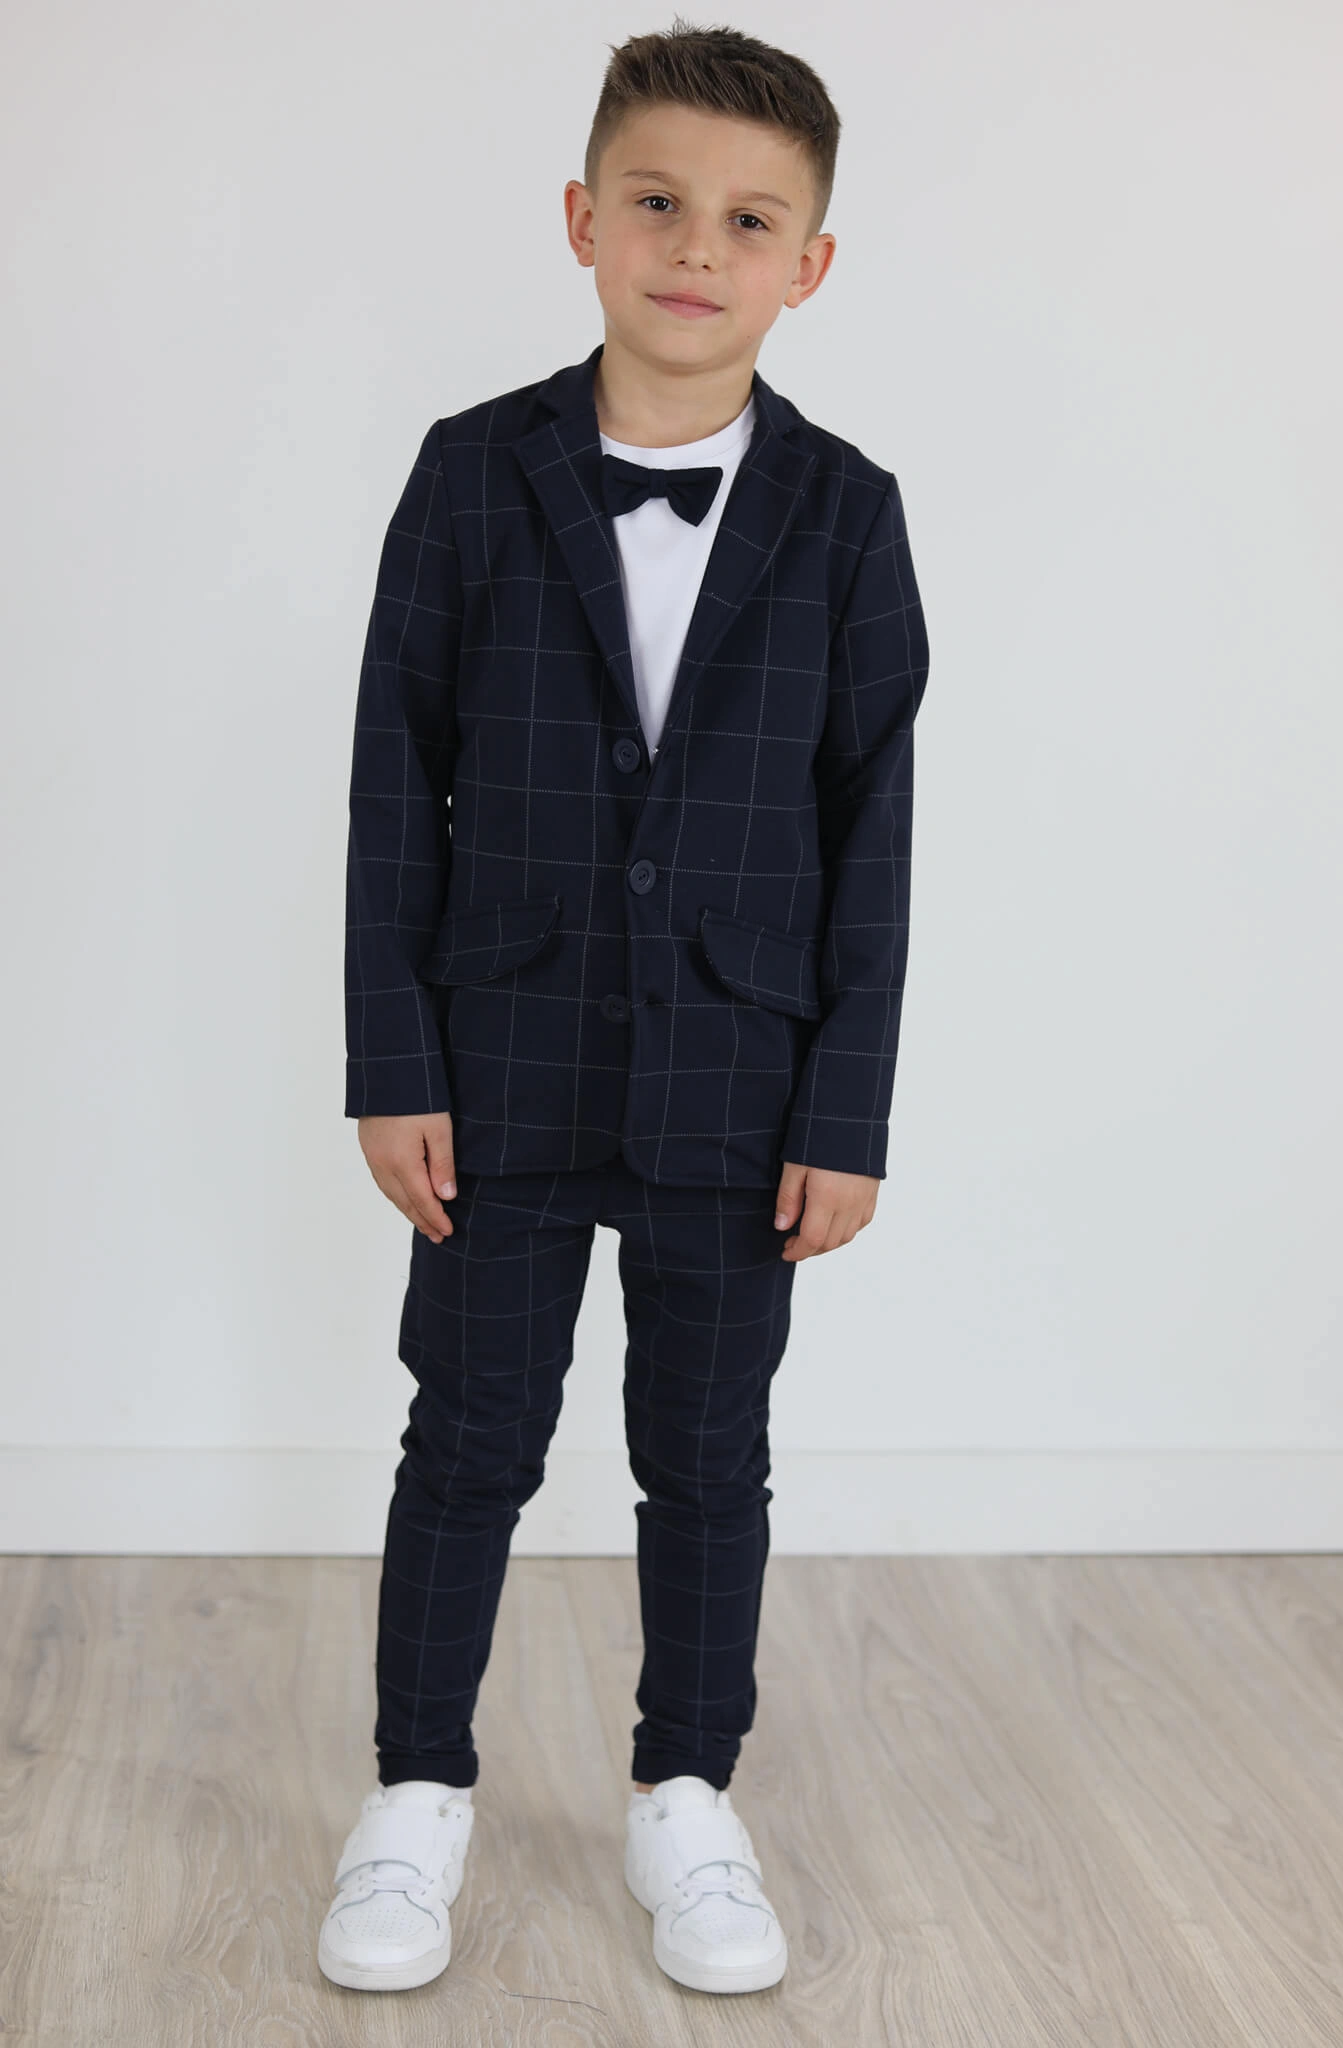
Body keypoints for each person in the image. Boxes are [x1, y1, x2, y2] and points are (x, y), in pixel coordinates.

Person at [317, 15, 930, 2001]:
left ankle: (686, 1789)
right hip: (495, 1065)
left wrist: (844, 1109)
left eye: (748, 220)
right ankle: (417, 1788)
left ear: (807, 264)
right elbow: (391, 779)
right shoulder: (470, 472)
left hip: (740, 1081)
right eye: (657, 202)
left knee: (708, 1453)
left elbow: (873, 827)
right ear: (583, 219)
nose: (695, 247)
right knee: (466, 1437)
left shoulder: (848, 512)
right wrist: (393, 1058)